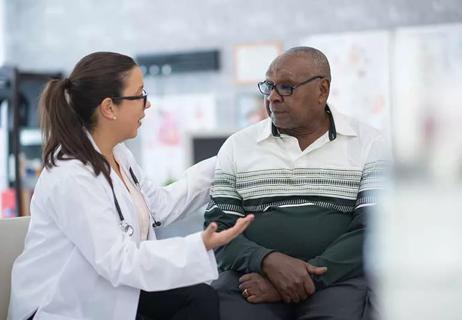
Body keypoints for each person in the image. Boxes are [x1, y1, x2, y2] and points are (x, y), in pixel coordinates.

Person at [8, 52, 254, 320]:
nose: (147, 105)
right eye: (140, 95)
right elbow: (118, 260)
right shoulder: (70, 175)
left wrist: (228, 161)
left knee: (200, 297)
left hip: (105, 290)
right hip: (62, 306)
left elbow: (160, 206)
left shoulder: (118, 154)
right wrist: (199, 245)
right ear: (109, 108)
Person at [204, 47, 388, 320]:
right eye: (269, 86)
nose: (273, 97)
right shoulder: (238, 145)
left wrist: (306, 278)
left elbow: (374, 229)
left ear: (322, 90)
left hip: (336, 280)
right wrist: (267, 261)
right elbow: (219, 229)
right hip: (251, 280)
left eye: (286, 87)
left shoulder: (369, 144)